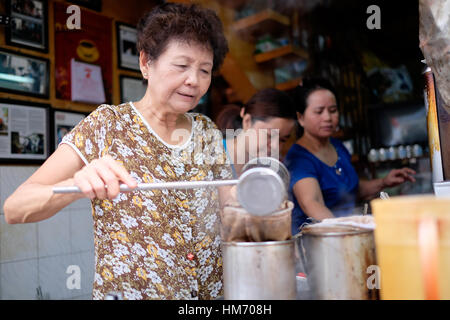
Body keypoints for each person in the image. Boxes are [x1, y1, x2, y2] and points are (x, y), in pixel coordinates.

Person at [3, 3, 232, 300]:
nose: (194, 80)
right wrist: (77, 183)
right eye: (182, 65)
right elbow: (15, 208)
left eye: (205, 70)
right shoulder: (108, 125)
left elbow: (230, 212)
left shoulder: (207, 132)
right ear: (146, 63)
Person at [285, 78, 416, 235]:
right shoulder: (299, 159)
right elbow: (312, 203)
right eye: (319, 112)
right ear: (300, 118)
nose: (327, 117)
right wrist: (347, 234)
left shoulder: (337, 146)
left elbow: (351, 189)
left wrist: (384, 182)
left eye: (333, 110)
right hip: (319, 243)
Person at [216, 88, 297, 178]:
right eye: (269, 135)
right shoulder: (207, 157)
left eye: (282, 140)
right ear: (247, 121)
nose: (275, 146)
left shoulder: (273, 170)